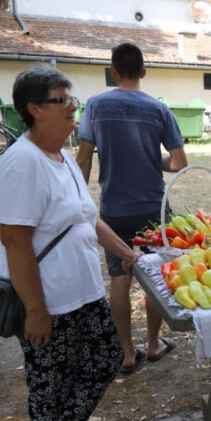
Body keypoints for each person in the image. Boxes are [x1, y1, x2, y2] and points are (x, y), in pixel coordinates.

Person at [0, 65, 140, 421]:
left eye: (72, 98)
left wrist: (129, 255)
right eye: (62, 100)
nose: (72, 107)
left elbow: (88, 218)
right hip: (49, 300)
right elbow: (14, 241)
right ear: (34, 109)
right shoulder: (22, 163)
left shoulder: (63, 157)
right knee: (51, 385)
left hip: (84, 291)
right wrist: (35, 311)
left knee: (105, 358)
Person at [77, 42, 185, 374]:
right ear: (143, 72)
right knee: (155, 275)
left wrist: (78, 202)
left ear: (112, 71)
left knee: (119, 278)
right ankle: (153, 345)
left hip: (113, 210)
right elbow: (179, 163)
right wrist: (153, 158)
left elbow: (83, 159)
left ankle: (126, 353)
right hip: (154, 208)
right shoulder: (159, 109)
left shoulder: (95, 106)